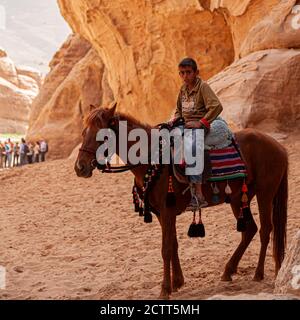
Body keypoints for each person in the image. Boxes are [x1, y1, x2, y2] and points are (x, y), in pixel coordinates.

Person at [171, 57, 223, 210]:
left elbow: (216, 106)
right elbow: (178, 110)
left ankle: (199, 195)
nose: (185, 76)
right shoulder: (183, 89)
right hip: (185, 125)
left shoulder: (203, 87)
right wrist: (177, 120)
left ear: (196, 72)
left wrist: (201, 123)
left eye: (188, 72)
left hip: (200, 126)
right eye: (182, 73)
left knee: (193, 147)